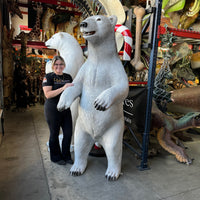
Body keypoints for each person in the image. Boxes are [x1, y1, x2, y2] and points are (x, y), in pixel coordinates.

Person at [42, 55, 74, 165]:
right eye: (56, 64)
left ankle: (66, 156)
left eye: (61, 64)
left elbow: (72, 91)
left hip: (65, 108)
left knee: (68, 133)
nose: (58, 66)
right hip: (52, 109)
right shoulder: (49, 77)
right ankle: (56, 157)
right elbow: (48, 94)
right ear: (53, 66)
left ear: (64, 65)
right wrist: (63, 88)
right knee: (54, 134)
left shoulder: (68, 77)